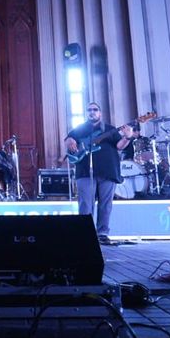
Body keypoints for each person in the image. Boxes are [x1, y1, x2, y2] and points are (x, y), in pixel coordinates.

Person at [64, 102, 135, 244]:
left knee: (106, 204)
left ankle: (102, 233)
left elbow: (119, 146)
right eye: (89, 110)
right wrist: (69, 140)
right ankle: (85, 233)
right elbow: (68, 140)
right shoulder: (79, 129)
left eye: (95, 110)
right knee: (85, 203)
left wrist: (127, 137)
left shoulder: (110, 129)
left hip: (108, 171)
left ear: (100, 113)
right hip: (85, 171)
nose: (92, 112)